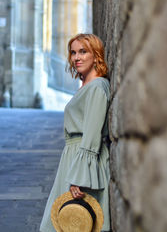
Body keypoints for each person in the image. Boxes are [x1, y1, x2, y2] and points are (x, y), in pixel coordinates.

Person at [40, 33, 111, 232]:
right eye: (73, 53)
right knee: (60, 222)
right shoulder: (87, 86)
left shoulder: (97, 87)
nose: (76, 57)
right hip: (72, 159)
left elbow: (91, 133)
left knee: (75, 223)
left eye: (83, 51)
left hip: (83, 163)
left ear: (96, 55)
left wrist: (79, 178)